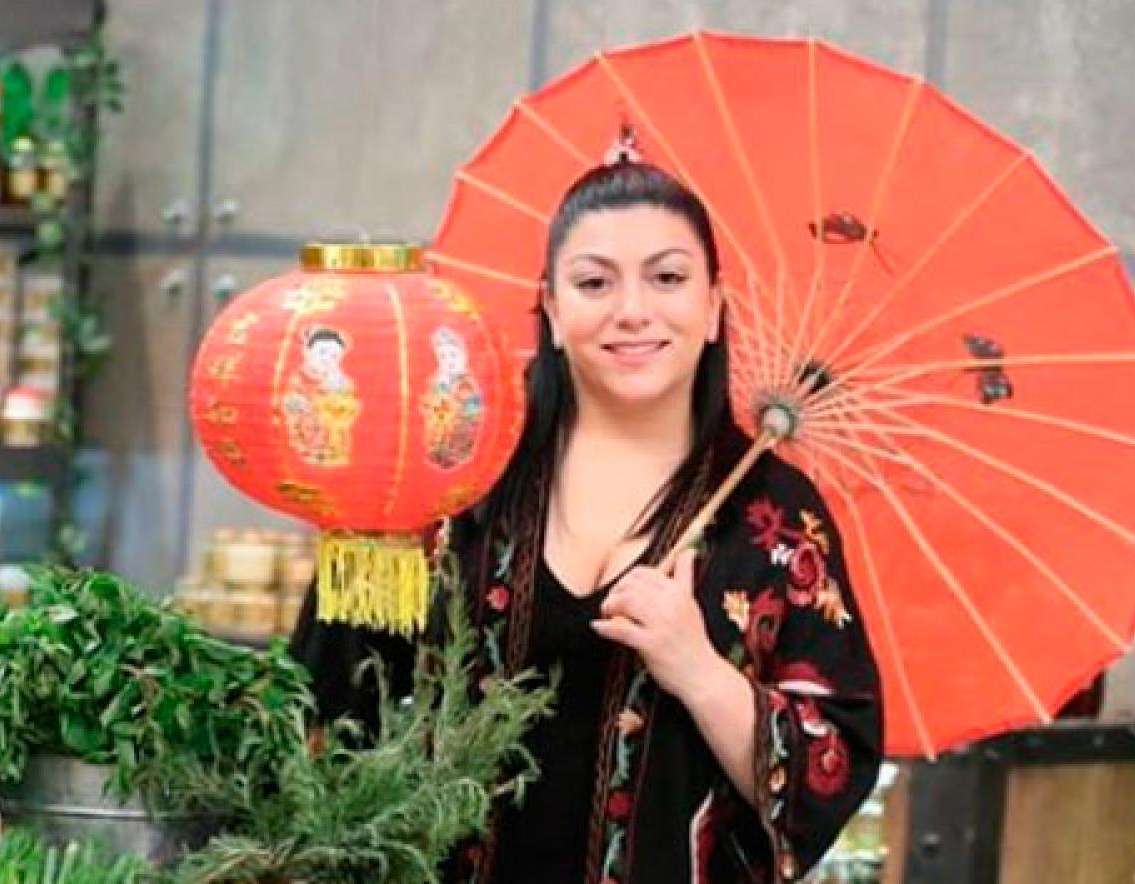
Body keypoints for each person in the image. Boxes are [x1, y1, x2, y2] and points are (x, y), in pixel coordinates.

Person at [292, 160, 882, 884]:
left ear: (713, 307)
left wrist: (698, 669)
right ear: (551, 307)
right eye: (595, 282)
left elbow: (833, 770)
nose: (632, 310)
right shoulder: (459, 477)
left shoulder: (775, 518)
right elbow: (323, 708)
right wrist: (359, 517)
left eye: (667, 278)